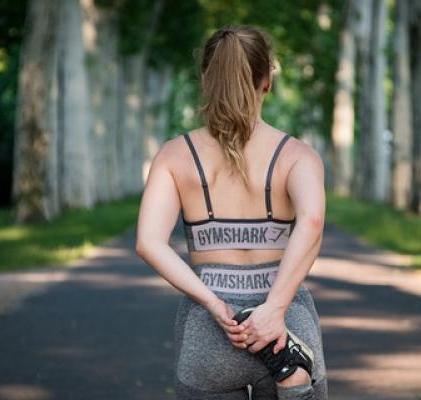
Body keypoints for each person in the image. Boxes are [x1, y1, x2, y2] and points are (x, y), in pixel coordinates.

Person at [135, 24, 327, 400]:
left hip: (211, 331)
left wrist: (213, 303)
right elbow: (313, 220)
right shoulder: (297, 156)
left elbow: (148, 242)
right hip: (285, 331)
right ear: (266, 81)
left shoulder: (175, 155)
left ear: (206, 80)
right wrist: (274, 309)